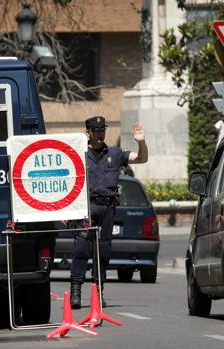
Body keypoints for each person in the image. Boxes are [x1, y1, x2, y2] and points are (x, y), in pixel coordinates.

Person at [70, 116, 148, 309]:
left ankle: (98, 291)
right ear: (87, 132)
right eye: (95, 130)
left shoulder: (115, 152)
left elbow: (141, 158)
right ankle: (76, 291)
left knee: (103, 252)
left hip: (107, 208)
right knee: (81, 250)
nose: (99, 133)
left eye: (102, 129)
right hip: (86, 208)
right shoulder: (78, 153)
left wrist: (142, 142)